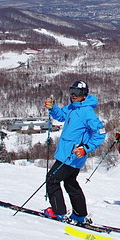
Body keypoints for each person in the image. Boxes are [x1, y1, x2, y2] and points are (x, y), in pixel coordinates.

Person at [42, 80, 106, 222]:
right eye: (71, 91)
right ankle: (80, 214)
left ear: (84, 94)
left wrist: (86, 148)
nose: (73, 95)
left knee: (52, 180)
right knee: (70, 183)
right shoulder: (73, 107)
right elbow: (60, 116)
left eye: (77, 92)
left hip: (71, 155)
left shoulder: (87, 112)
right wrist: (53, 107)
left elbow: (101, 132)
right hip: (68, 154)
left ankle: (59, 212)